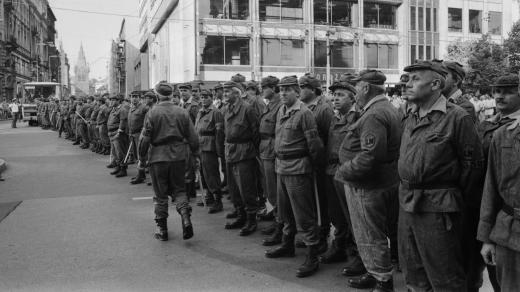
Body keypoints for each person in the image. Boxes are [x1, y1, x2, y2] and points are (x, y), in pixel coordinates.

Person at [398, 60, 485, 291]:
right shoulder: (410, 114)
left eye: (415, 79)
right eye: (407, 78)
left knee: (445, 277)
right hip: (408, 202)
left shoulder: (457, 117)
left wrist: (452, 197)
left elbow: (473, 166)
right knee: (413, 273)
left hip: (439, 208)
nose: (407, 83)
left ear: (436, 83)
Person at [334, 70, 401, 291]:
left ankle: (382, 280)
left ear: (365, 88)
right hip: (379, 181)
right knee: (373, 233)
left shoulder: (374, 113)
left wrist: (344, 171)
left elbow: (370, 155)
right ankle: (375, 273)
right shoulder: (385, 108)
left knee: (370, 235)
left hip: (367, 184)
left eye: (356, 87)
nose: (355, 93)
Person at [264, 75, 323, 278]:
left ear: (297, 92)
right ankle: (287, 244)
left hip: (298, 169)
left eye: (287, 90)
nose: (282, 93)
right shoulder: (282, 109)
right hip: (281, 167)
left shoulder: (304, 113)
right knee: (285, 212)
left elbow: (314, 145)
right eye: (281, 90)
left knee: (304, 216)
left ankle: (312, 255)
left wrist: (314, 166)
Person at [138, 82, 199, 242]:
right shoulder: (182, 112)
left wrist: (141, 158)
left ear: (157, 95)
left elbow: (145, 139)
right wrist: (196, 154)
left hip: (158, 156)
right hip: (178, 155)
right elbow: (193, 136)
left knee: (160, 195)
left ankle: (162, 229)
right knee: (180, 190)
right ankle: (185, 218)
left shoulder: (152, 113)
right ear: (172, 95)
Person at [478, 74, 520, 291]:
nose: (500, 96)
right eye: (497, 91)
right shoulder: (502, 133)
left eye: (508, 91)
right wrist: (486, 238)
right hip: (507, 230)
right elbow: (491, 188)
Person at [320, 77, 365, 277]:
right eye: (334, 95)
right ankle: (339, 247)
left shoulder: (359, 117)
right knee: (336, 215)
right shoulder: (335, 117)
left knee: (353, 217)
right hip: (332, 172)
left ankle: (359, 257)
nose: (335, 99)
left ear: (353, 98)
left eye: (340, 95)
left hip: (348, 173)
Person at [298, 73, 334, 254]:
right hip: (307, 162)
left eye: (302, 87)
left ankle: (323, 235)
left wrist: (322, 162)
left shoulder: (323, 109)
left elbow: (330, 138)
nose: (299, 91)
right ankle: (314, 233)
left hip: (319, 163)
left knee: (321, 200)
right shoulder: (303, 107)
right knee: (311, 200)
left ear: (312, 89)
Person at [221, 80, 261, 236]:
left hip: (245, 153)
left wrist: (253, 152)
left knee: (247, 188)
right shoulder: (227, 109)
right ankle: (241, 215)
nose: (224, 95)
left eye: (227, 92)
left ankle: (251, 220)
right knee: (234, 188)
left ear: (236, 93)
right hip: (230, 151)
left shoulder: (247, 109)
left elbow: (256, 132)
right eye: (224, 92)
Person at [258, 76, 284, 246]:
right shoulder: (269, 105)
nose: (262, 90)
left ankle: (280, 224)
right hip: (265, 149)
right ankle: (274, 217)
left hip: (272, 150)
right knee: (268, 189)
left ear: (274, 88)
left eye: (265, 87)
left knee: (276, 191)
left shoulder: (280, 106)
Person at [194, 89, 225, 213]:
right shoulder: (200, 112)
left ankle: (218, 200)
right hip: (201, 146)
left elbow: (219, 133)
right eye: (201, 97)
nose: (203, 99)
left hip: (209, 146)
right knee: (203, 173)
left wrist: (218, 150)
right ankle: (209, 196)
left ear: (211, 98)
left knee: (212, 174)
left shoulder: (215, 112)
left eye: (206, 97)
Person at [127, 91, 149, 184]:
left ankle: (141, 174)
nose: (134, 98)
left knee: (142, 155)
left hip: (139, 134)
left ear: (140, 98)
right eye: (132, 96)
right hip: (132, 134)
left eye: (136, 96)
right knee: (136, 155)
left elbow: (147, 120)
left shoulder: (144, 108)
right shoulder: (132, 107)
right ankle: (140, 173)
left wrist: (142, 133)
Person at [107, 94, 129, 177]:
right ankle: (118, 167)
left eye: (113, 100)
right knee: (115, 152)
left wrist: (119, 133)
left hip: (117, 133)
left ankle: (123, 169)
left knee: (120, 152)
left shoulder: (122, 109)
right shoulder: (113, 109)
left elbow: (123, 122)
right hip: (111, 133)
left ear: (118, 101)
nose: (111, 101)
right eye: (111, 100)